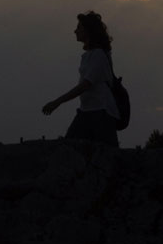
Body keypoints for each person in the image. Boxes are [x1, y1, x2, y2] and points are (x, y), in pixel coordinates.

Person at [41, 11, 120, 147]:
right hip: (87, 111)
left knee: (107, 153)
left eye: (79, 28)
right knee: (71, 148)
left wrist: (57, 102)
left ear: (88, 31)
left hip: (101, 112)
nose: (75, 31)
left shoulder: (98, 55)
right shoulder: (88, 56)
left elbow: (85, 85)